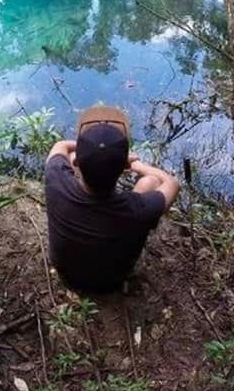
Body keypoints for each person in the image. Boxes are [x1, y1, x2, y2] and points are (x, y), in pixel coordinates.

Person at [44, 105, 180, 293]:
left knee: (73, 155)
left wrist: (87, 149)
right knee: (150, 181)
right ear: (124, 167)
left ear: (77, 163)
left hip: (67, 275)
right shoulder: (139, 210)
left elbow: (60, 147)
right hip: (112, 281)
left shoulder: (56, 180)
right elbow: (171, 183)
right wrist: (136, 165)